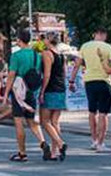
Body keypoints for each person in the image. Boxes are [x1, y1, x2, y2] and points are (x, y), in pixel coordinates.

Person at [71, 27, 111, 152]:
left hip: (89, 81)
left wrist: (72, 81)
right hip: (104, 81)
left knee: (91, 111)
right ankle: (101, 142)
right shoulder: (108, 47)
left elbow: (77, 64)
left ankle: (94, 140)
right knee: (103, 113)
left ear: (94, 34)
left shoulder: (85, 46)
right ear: (103, 35)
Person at [5, 28, 47, 162]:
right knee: (31, 121)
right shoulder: (37, 56)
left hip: (19, 92)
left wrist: (6, 93)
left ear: (18, 40)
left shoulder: (16, 56)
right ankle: (42, 142)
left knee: (18, 122)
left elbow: (11, 75)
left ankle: (22, 153)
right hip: (31, 91)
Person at [39, 31, 67, 161]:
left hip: (51, 89)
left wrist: (42, 91)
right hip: (61, 88)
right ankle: (54, 152)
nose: (43, 41)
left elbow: (47, 74)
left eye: (44, 38)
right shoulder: (61, 55)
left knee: (45, 121)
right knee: (55, 121)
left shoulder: (47, 54)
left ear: (49, 40)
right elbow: (64, 73)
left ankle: (60, 144)